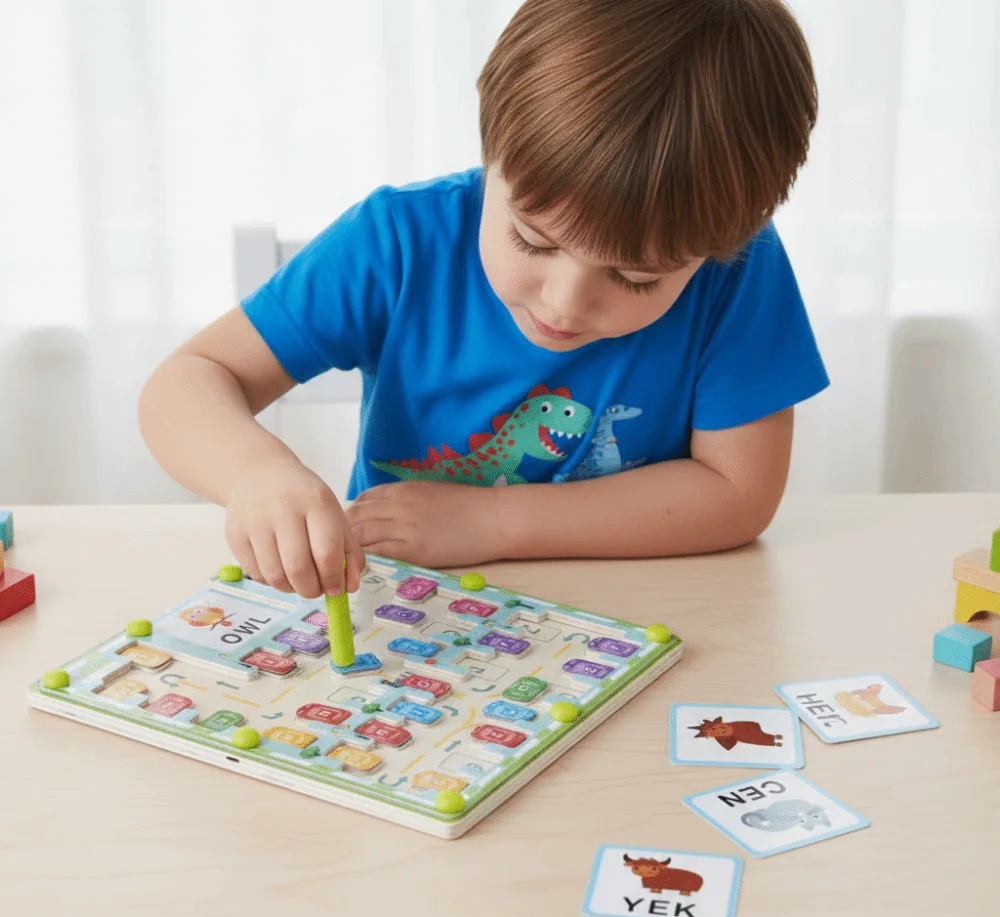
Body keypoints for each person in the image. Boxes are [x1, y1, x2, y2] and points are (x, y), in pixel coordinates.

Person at [139, 0, 828, 601]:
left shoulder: (737, 267)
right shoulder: (397, 242)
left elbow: (739, 495)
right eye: (532, 240)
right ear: (491, 148)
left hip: (649, 608)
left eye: (637, 278)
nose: (564, 303)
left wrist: (493, 523)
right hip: (411, 604)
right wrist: (256, 474)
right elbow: (187, 381)